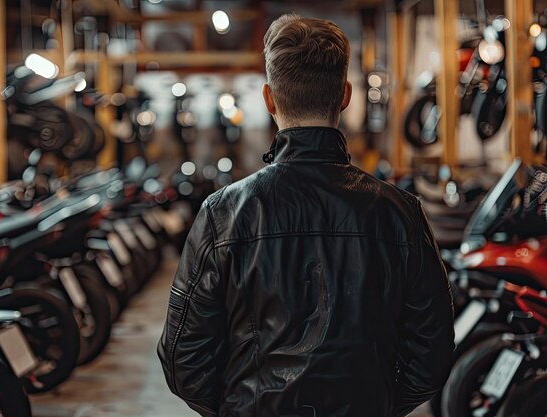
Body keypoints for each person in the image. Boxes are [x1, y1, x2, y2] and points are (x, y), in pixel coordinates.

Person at [158, 14, 454, 417]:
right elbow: (432, 351)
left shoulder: (225, 212)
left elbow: (182, 357)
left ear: (269, 99)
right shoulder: (398, 213)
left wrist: (240, 406)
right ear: (345, 95)